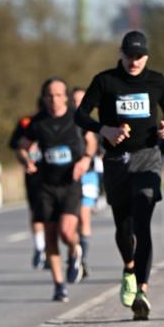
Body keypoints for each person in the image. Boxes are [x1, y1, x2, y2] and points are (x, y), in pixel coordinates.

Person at [74, 30, 164, 320]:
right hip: (117, 160)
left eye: (139, 56)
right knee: (125, 227)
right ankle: (129, 268)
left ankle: (142, 290)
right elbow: (80, 114)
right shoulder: (105, 81)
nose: (134, 62)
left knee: (142, 220)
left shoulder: (156, 80)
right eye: (129, 56)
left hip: (147, 157)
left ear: (146, 56)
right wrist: (102, 129)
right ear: (121, 53)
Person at [16, 78, 93, 301]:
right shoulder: (38, 121)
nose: (54, 99)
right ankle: (59, 285)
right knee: (50, 235)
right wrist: (25, 160)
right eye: (50, 95)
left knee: (67, 231)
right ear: (44, 97)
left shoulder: (76, 117)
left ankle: (75, 250)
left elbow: (91, 141)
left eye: (58, 95)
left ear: (65, 97)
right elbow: (22, 147)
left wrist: (85, 160)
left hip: (70, 183)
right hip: (46, 185)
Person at [71, 87, 102, 278]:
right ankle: (75, 253)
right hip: (69, 177)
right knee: (70, 220)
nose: (77, 104)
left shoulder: (93, 124)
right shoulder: (65, 122)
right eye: (74, 100)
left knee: (84, 216)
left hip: (89, 176)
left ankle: (82, 259)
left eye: (81, 100)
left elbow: (101, 150)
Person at [9, 112, 46, 269]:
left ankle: (47, 247)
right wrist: (26, 155)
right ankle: (40, 247)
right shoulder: (26, 122)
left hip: (56, 173)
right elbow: (15, 144)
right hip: (33, 173)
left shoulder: (64, 120)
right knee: (36, 210)